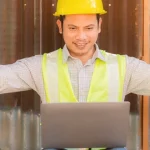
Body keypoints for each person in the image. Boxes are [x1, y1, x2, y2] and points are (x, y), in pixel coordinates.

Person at [0, 0, 149, 149]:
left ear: (99, 26)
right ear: (60, 26)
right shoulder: (40, 66)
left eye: (89, 28)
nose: (81, 37)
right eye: (73, 28)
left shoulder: (124, 66)